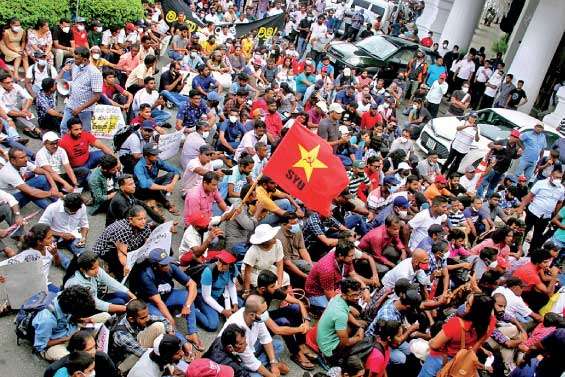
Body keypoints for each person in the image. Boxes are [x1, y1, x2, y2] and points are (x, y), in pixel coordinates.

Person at [129, 248, 203, 352]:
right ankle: (182, 342)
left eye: (167, 263)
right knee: (165, 321)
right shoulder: (146, 275)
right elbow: (158, 302)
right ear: (155, 266)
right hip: (152, 303)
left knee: (187, 296)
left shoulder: (171, 266)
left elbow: (192, 285)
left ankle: (192, 333)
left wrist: (187, 305)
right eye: (163, 265)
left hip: (168, 295)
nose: (167, 266)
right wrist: (170, 320)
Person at [417, 293, 496, 377]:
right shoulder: (489, 324)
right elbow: (474, 349)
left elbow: (434, 345)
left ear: (474, 310)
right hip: (461, 363)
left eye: (468, 304)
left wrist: (431, 341)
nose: (465, 304)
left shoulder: (456, 323)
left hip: (440, 360)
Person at [217, 294, 289, 377]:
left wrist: (273, 363)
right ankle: (262, 368)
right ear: (252, 315)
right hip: (236, 359)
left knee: (278, 345)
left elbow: (265, 338)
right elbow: (250, 361)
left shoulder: (255, 317)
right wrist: (272, 375)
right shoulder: (237, 329)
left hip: (250, 352)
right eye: (263, 312)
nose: (266, 314)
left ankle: (265, 367)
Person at [32, 285, 104, 361]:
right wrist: (67, 339)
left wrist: (82, 319)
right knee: (73, 358)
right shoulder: (47, 320)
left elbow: (72, 315)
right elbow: (41, 346)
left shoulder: (65, 297)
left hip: (72, 329)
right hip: (56, 344)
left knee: (106, 316)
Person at [92, 205, 152, 280]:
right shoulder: (124, 230)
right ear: (130, 219)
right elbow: (121, 253)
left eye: (144, 218)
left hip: (126, 245)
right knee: (127, 270)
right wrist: (126, 265)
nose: (143, 221)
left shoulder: (144, 225)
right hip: (107, 249)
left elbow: (148, 243)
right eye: (140, 219)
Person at [63, 251, 134, 314]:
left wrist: (132, 296)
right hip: (86, 307)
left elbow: (111, 282)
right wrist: (127, 309)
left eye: (98, 266)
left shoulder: (95, 271)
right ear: (83, 269)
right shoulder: (76, 283)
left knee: (124, 295)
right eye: (93, 268)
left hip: (96, 297)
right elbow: (96, 304)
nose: (97, 270)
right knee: (120, 302)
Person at [316, 278, 364, 366]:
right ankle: (332, 361)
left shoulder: (338, 297)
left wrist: (358, 324)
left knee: (359, 324)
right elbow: (345, 342)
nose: (357, 298)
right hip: (329, 351)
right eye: (353, 295)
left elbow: (346, 310)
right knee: (364, 343)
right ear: (344, 295)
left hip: (323, 340)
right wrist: (359, 338)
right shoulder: (340, 315)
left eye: (359, 294)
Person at [517, 167, 564, 252]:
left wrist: (556, 216)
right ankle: (518, 250)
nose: (558, 179)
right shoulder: (541, 183)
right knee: (523, 232)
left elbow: (559, 203)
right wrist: (521, 207)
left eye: (560, 178)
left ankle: (530, 255)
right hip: (533, 212)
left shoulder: (561, 189)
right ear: (551, 175)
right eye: (557, 177)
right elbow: (530, 196)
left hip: (545, 217)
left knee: (537, 237)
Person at [194, 250, 239, 332]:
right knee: (213, 325)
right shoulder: (208, 272)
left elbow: (231, 286)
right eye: (219, 261)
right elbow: (206, 297)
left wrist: (235, 303)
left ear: (230, 265)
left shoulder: (233, 269)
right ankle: (193, 310)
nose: (220, 265)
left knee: (242, 306)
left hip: (221, 294)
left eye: (224, 264)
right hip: (205, 297)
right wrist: (223, 311)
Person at [60, 47, 103, 133]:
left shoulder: (95, 73)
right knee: (64, 128)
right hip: (71, 105)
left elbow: (97, 96)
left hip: (85, 110)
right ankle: (64, 146)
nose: (74, 60)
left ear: (85, 60)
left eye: (77, 59)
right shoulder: (75, 66)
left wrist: (81, 108)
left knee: (84, 132)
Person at [59, 118, 114, 184]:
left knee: (105, 156)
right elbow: (61, 162)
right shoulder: (63, 142)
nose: (79, 131)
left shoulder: (85, 135)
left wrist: (115, 161)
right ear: (69, 130)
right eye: (76, 130)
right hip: (77, 168)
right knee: (92, 181)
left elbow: (102, 146)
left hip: (88, 159)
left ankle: (109, 175)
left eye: (80, 129)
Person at [44, 330, 119, 377]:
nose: (94, 351)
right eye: (89, 349)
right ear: (76, 351)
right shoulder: (56, 369)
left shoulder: (102, 358)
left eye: (94, 346)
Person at [133, 143, 181, 215]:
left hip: (153, 183)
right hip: (141, 190)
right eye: (154, 155)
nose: (157, 156)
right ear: (146, 156)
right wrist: (165, 187)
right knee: (152, 186)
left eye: (157, 154)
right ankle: (163, 202)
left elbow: (176, 171)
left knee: (172, 175)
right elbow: (145, 184)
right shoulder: (139, 167)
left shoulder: (156, 161)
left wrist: (171, 185)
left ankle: (157, 199)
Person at [242, 224, 290, 294]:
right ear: (264, 241)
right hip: (254, 272)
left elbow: (280, 265)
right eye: (271, 237)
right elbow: (247, 273)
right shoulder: (253, 251)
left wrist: (279, 284)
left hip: (267, 268)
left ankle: (282, 295)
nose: (274, 238)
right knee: (267, 285)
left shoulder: (278, 243)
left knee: (285, 277)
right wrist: (246, 291)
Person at [477, 129, 522, 198]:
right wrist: (495, 146)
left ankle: (488, 199)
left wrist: (519, 154)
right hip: (494, 166)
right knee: (484, 182)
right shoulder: (502, 141)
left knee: (493, 186)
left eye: (515, 137)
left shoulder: (516, 147)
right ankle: (478, 197)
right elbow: (489, 144)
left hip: (502, 169)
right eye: (512, 136)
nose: (513, 138)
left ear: (517, 139)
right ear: (510, 136)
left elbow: (513, 157)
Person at [0, 71, 42, 138]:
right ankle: (33, 129)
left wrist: (25, 109)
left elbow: (29, 98)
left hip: (13, 107)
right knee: (16, 114)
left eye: (11, 81)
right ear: (1, 84)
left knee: (25, 100)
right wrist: (22, 114)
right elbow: (7, 111)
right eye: (8, 83)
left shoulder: (15, 86)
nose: (11, 84)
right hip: (3, 111)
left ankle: (29, 127)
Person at [441, 112, 480, 177]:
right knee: (449, 160)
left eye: (475, 117)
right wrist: (467, 126)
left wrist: (476, 132)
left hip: (464, 148)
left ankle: (449, 177)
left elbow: (477, 140)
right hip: (456, 145)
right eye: (472, 117)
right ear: (469, 116)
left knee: (457, 163)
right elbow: (458, 128)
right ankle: (441, 173)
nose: (473, 118)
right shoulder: (463, 122)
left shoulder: (477, 127)